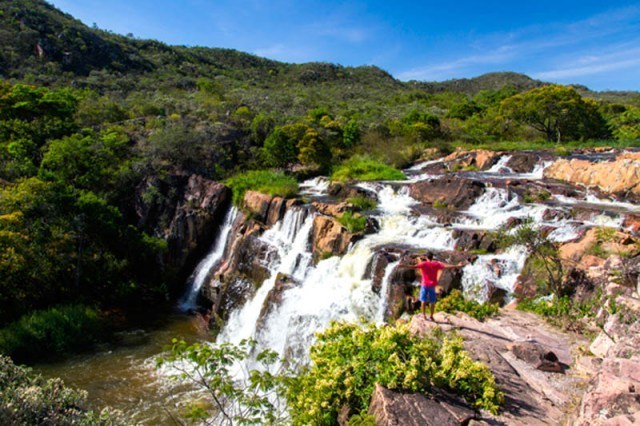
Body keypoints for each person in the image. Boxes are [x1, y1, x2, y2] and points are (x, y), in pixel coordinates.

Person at [400, 252, 468, 321]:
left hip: (424, 285)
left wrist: (403, 266)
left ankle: (423, 315)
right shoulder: (436, 264)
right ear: (432, 258)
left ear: (426, 257)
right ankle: (431, 316)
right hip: (432, 285)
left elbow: (414, 267)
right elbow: (446, 266)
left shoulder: (424, 264)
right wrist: (456, 265)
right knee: (432, 301)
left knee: (423, 300)